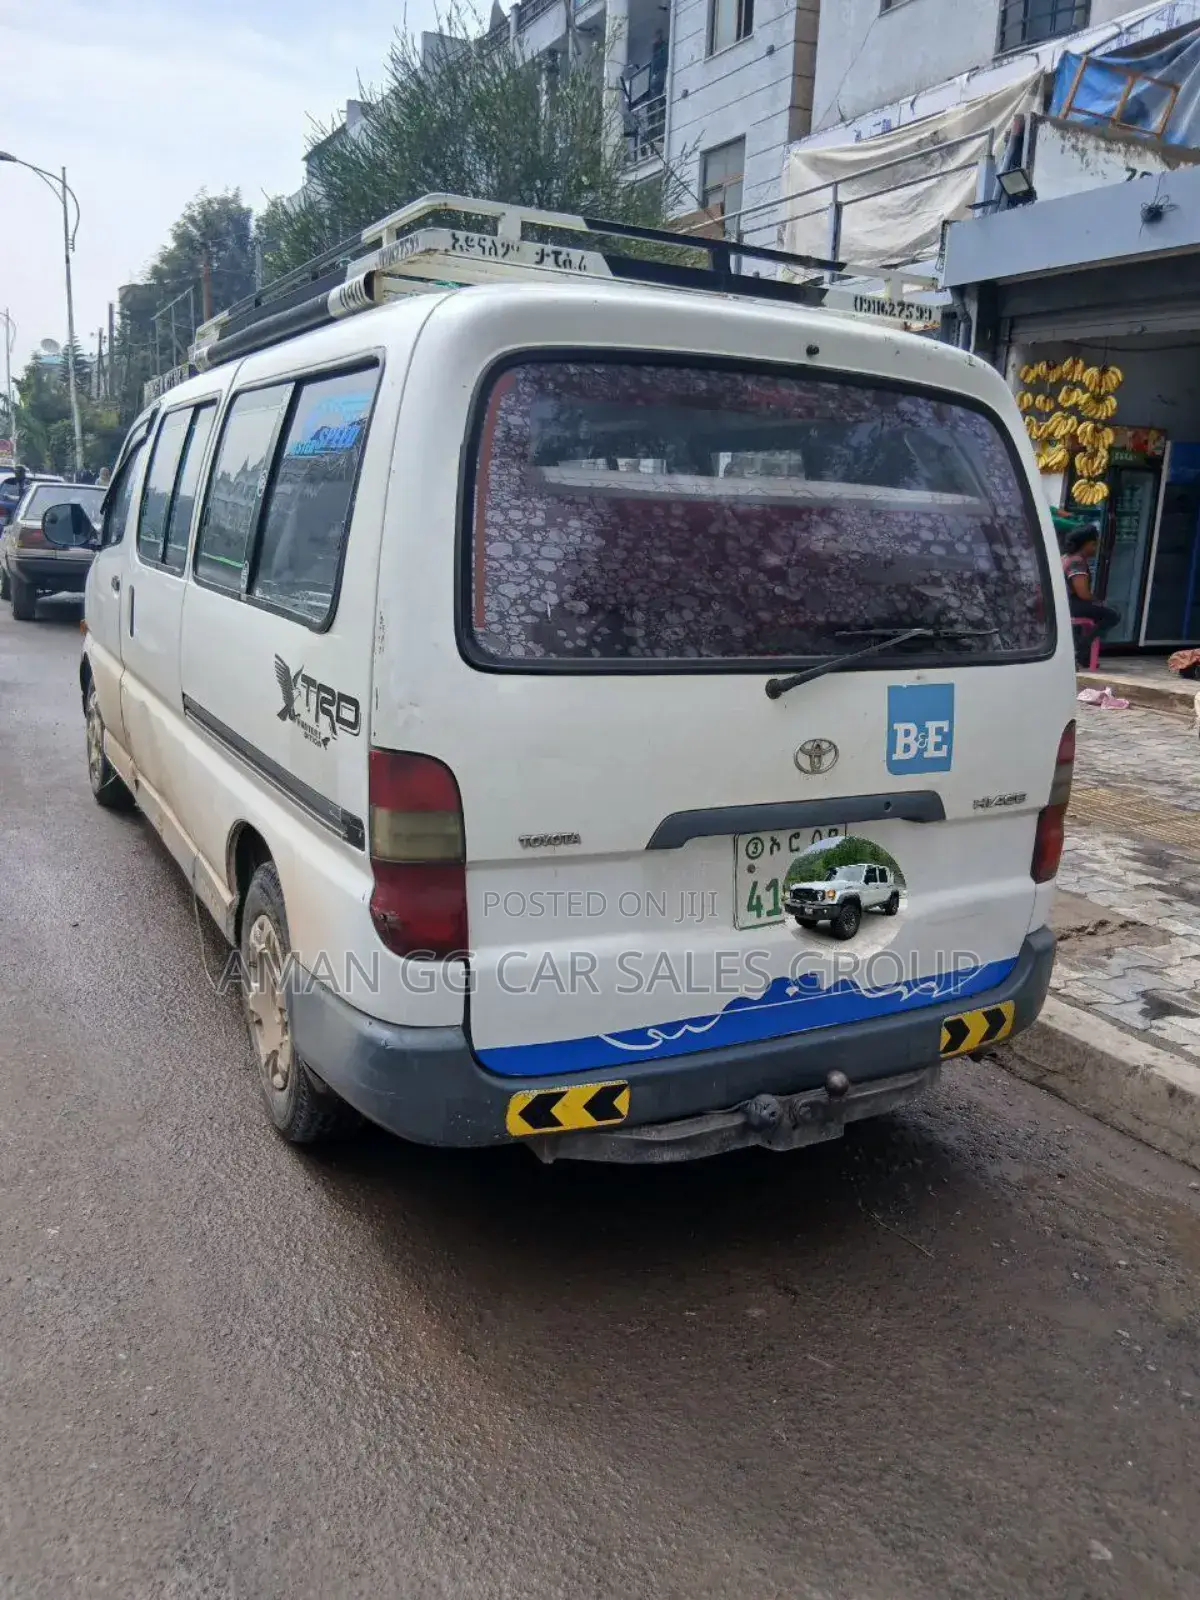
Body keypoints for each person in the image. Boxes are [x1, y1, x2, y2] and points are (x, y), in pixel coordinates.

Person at [1062, 524, 1119, 665]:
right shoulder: (1077, 562)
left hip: (1064, 603)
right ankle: (1084, 646)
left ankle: (1084, 653)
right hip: (1072, 604)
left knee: (1099, 612)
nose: (1095, 548)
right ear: (1085, 544)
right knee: (1112, 614)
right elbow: (1083, 594)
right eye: (1093, 545)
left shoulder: (1065, 557)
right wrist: (1097, 601)